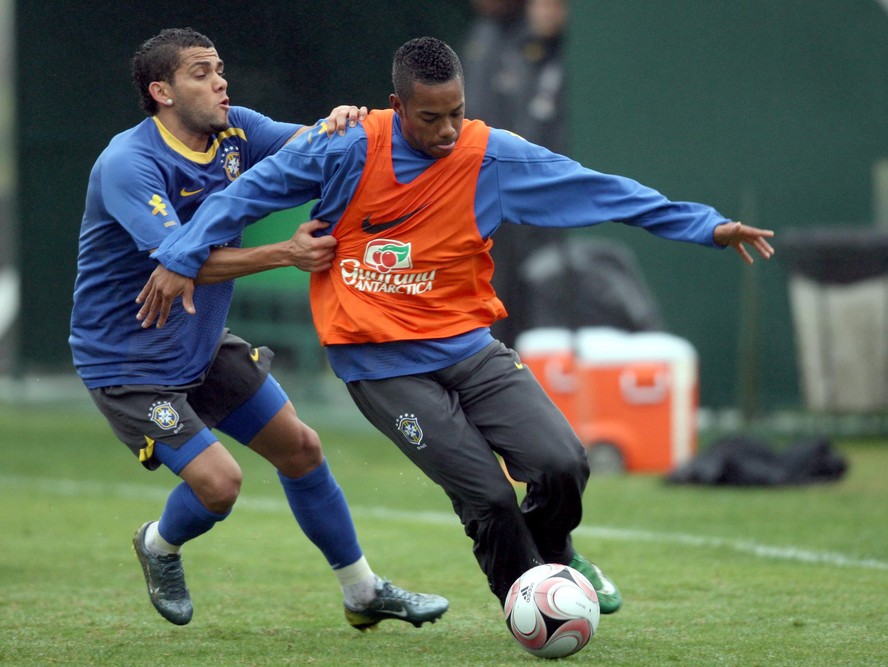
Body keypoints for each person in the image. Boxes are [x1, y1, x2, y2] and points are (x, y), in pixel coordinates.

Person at [136, 36, 775, 619]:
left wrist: (706, 226)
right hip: (379, 363)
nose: (447, 131)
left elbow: (601, 191)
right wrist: (180, 257)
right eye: (429, 118)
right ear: (396, 106)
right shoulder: (346, 147)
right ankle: (531, 602)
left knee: (561, 463)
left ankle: (554, 556)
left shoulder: (490, 155)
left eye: (456, 114)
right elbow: (241, 197)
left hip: (470, 348)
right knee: (490, 499)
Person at [68, 28, 448, 630]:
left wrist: (349, 122)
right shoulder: (129, 163)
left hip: (197, 345)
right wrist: (284, 254)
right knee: (220, 485)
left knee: (301, 449)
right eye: (200, 72)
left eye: (220, 68)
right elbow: (179, 260)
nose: (219, 81)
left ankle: (362, 592)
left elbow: (318, 146)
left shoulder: (236, 130)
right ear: (160, 90)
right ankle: (158, 545)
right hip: (130, 365)